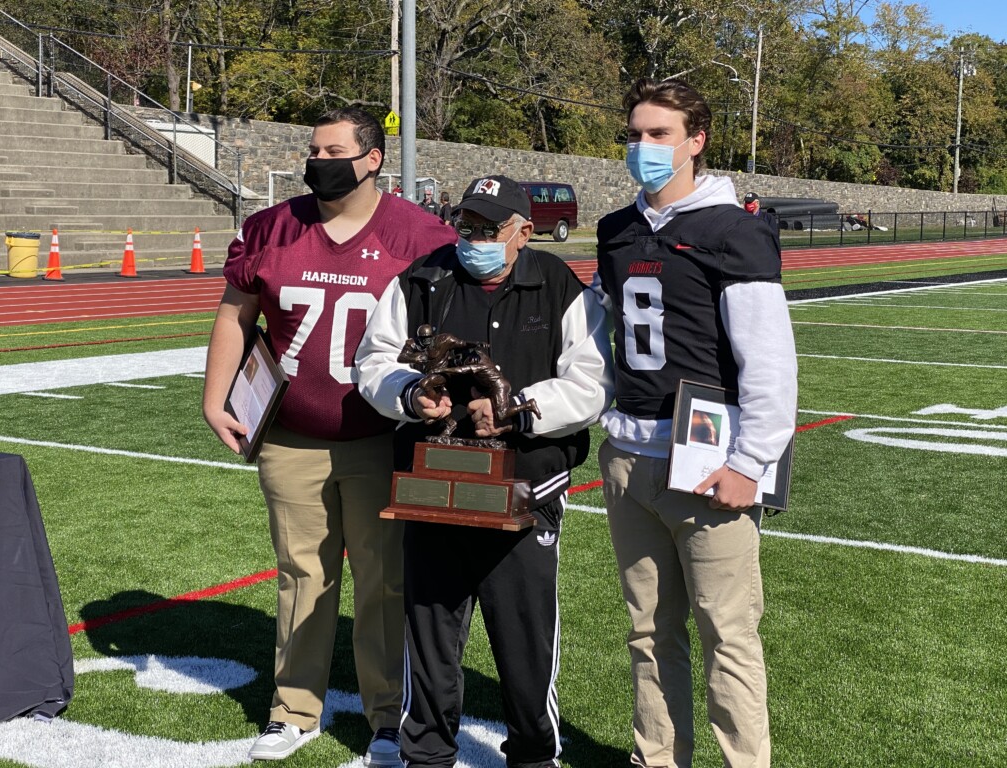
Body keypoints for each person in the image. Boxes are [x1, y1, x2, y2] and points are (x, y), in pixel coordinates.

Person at [202, 107, 457, 764]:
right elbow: (237, 312)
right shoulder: (272, 228)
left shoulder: (419, 234)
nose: (319, 160)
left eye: (334, 149)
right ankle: (293, 710)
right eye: (313, 149)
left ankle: (384, 716)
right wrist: (214, 396)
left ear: (373, 158)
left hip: (382, 435)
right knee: (299, 574)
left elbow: (445, 328)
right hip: (291, 434)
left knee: (383, 580)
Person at [355, 174, 614, 768]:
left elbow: (592, 382)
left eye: (487, 227)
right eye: (465, 223)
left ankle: (532, 753)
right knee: (429, 630)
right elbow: (373, 360)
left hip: (527, 485)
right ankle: (426, 753)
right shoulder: (422, 278)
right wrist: (409, 393)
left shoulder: (558, 286)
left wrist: (519, 408)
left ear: (524, 231)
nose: (471, 237)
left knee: (524, 633)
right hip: (433, 483)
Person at [593, 78, 797, 768]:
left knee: (728, 632)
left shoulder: (731, 229)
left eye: (658, 134)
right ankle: (657, 760)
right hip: (629, 452)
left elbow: (769, 359)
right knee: (648, 632)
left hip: (710, 461)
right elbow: (603, 336)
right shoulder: (616, 229)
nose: (642, 147)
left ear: (696, 141)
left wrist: (751, 462)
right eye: (634, 134)